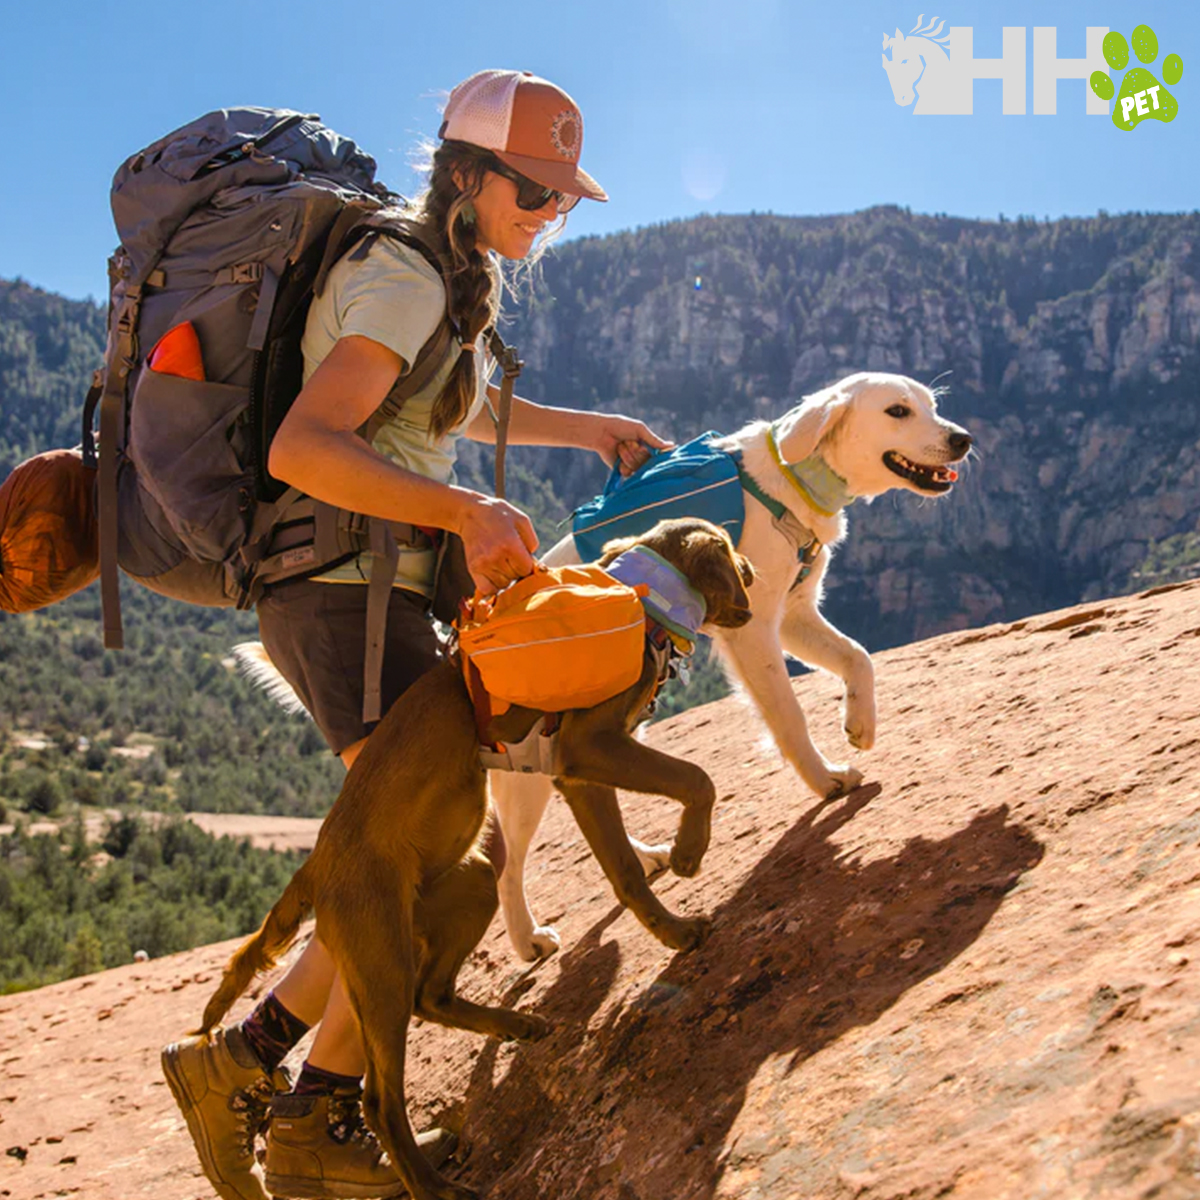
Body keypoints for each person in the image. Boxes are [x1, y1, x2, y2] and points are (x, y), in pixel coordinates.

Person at [161, 69, 669, 1200]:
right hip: (345, 597)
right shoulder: (402, 275)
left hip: (363, 592)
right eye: (534, 194)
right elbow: (305, 445)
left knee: (406, 864)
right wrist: (464, 508)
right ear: (470, 175)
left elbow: (440, 404)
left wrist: (581, 430)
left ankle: (238, 1070)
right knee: (431, 873)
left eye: (563, 198)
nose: (552, 216)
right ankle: (312, 1127)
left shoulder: (437, 275)